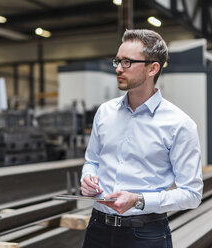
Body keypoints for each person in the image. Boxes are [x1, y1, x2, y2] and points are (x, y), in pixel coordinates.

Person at [80, 29, 203, 248]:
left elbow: (192, 194)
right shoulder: (105, 112)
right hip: (97, 229)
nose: (118, 68)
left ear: (153, 68)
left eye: (127, 62)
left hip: (145, 234)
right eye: (117, 61)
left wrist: (138, 200)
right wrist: (89, 178)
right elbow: (92, 161)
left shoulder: (179, 124)